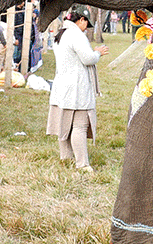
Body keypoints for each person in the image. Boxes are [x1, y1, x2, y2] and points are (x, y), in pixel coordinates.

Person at [46, 11, 109, 171]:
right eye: (87, 24)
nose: (86, 28)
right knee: (79, 126)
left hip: (62, 86)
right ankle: (82, 164)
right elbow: (88, 58)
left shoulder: (62, 34)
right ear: (81, 20)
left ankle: (66, 157)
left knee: (64, 124)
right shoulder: (76, 35)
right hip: (77, 88)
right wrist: (98, 53)